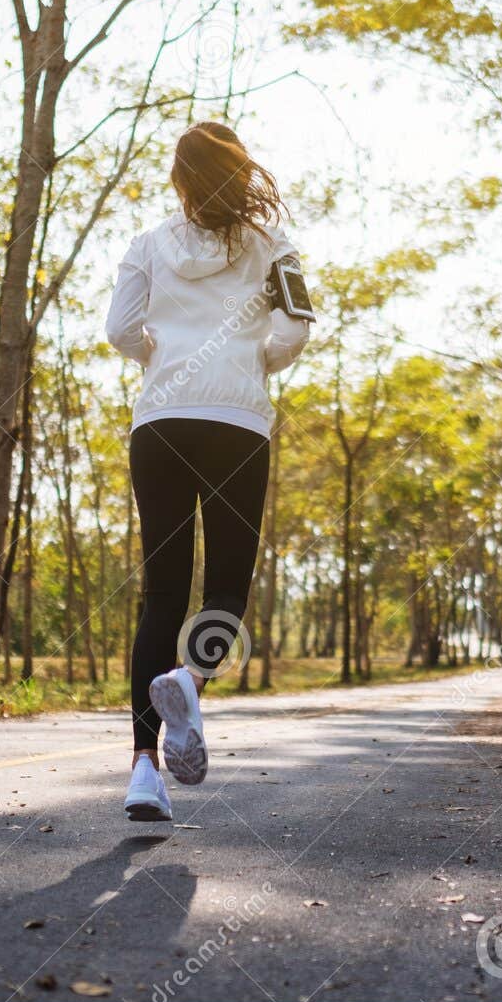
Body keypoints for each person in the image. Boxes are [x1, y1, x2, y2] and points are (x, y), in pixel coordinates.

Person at [103, 122, 313, 821]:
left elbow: (120, 329)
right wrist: (256, 360)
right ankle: (190, 678)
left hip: (159, 423)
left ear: (180, 180)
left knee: (161, 594)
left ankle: (143, 769)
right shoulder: (274, 245)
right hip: (236, 424)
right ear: (239, 172)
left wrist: (161, 355)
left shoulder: (145, 244)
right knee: (226, 588)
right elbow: (297, 327)